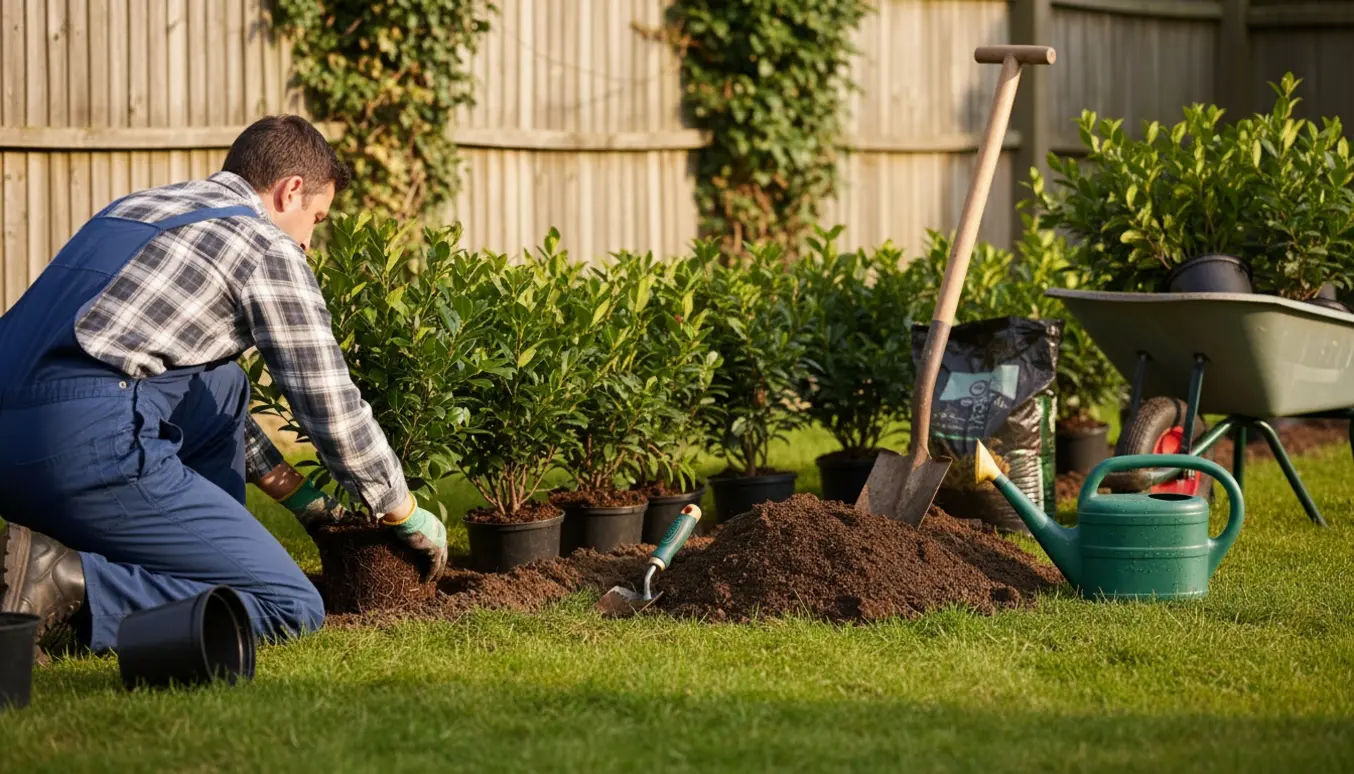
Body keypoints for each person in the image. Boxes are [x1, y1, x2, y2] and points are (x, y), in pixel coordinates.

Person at [0, 115, 447, 657]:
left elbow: (196, 395)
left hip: (15, 450)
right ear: (291, 191)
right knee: (290, 605)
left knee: (225, 381)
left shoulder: (136, 209)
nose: (310, 243)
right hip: (83, 449)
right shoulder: (265, 246)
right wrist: (399, 507)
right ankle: (69, 582)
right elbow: (329, 402)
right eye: (317, 219)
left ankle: (153, 564)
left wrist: (302, 497)